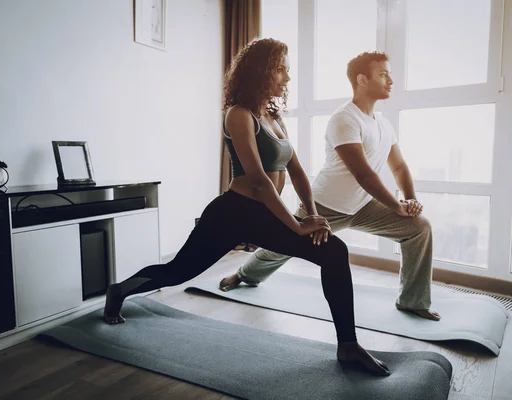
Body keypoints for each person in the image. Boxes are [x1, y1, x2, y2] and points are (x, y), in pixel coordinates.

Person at [102, 39, 390, 376]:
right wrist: (297, 226)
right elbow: (257, 181)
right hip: (233, 213)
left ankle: (348, 347)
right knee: (178, 272)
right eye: (281, 69)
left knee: (333, 251)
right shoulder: (238, 115)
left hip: (263, 213)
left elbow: (296, 170)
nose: (287, 77)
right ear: (261, 71)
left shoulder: (273, 115)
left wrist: (312, 214)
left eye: (287, 70)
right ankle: (118, 291)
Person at [220, 51, 440, 321]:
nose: (390, 80)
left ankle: (412, 300)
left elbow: (399, 167)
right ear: (362, 80)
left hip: (364, 205)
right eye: (383, 74)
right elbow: (364, 175)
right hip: (326, 205)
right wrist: (396, 205)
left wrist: (410, 201)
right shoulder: (344, 119)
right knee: (281, 247)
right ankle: (244, 274)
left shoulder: (383, 123)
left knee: (419, 228)